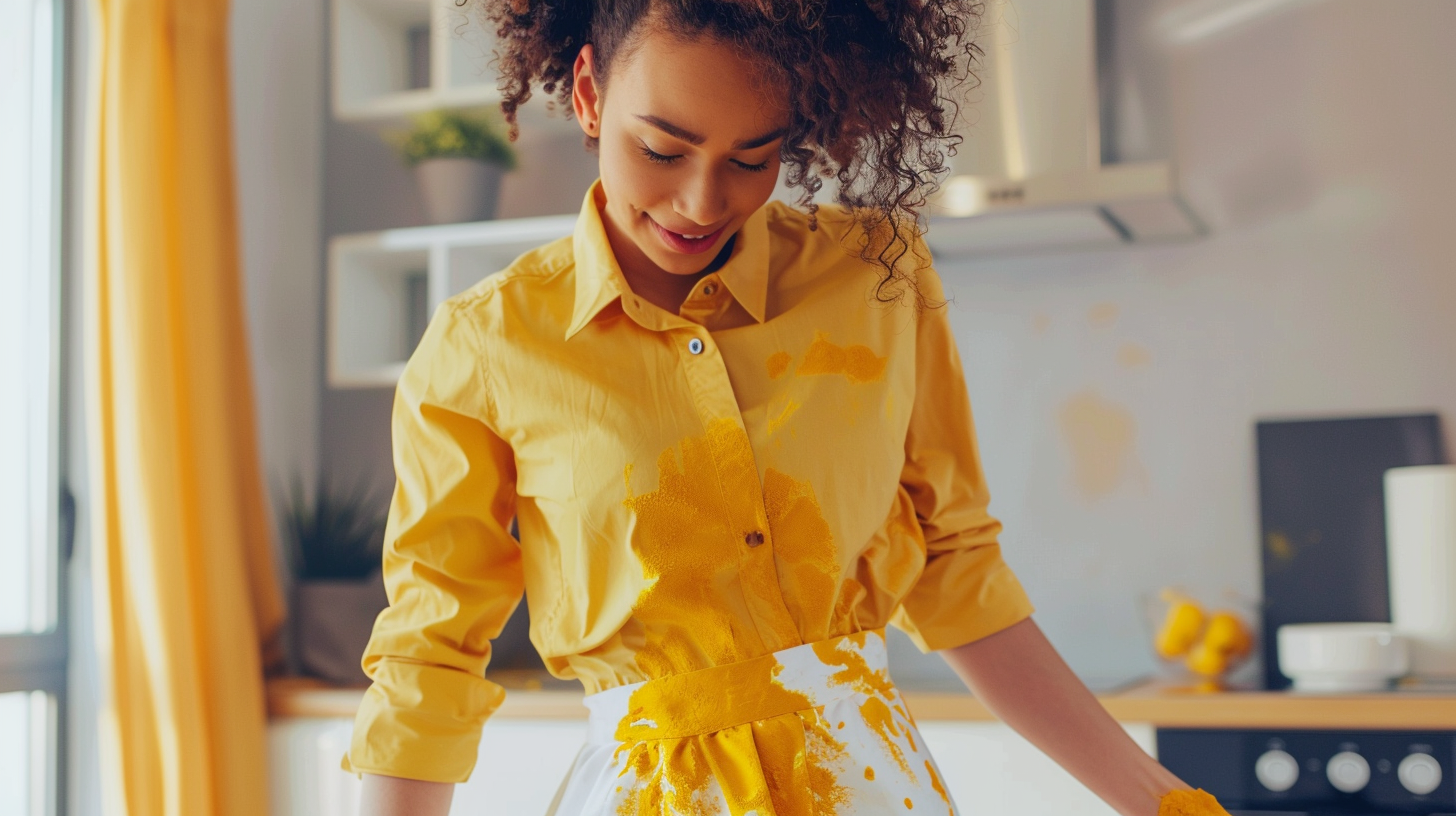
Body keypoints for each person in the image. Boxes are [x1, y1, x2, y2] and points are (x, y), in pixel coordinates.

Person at [344, 2, 1232, 814]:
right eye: (661, 150)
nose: (702, 203)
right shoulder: (485, 345)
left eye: (752, 158)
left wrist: (1164, 803)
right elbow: (430, 653)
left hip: (868, 782)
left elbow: (953, 567)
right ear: (587, 93)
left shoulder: (879, 278)